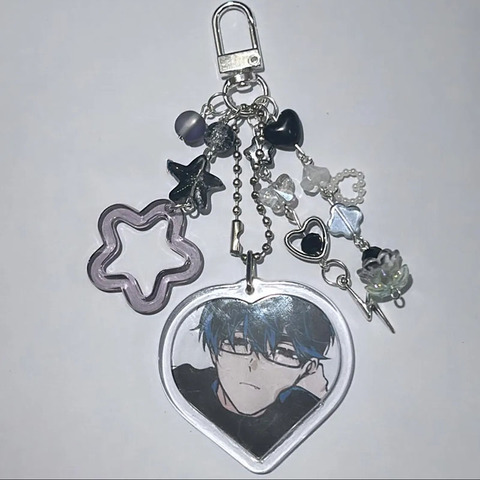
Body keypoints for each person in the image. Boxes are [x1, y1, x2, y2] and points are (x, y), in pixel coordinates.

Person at [173, 294, 335, 458]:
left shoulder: (306, 411)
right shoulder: (183, 387)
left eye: (283, 352)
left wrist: (321, 403)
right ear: (214, 353)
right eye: (239, 343)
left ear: (308, 368)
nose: (255, 365)